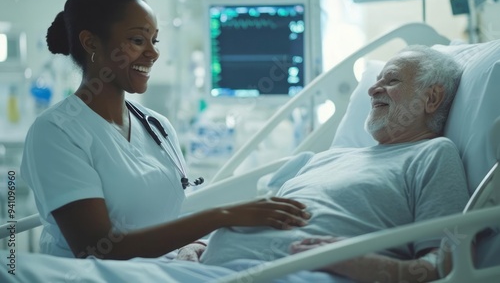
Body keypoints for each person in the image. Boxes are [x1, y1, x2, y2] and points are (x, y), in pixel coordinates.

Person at [20, 0, 311, 260]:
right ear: (90, 42)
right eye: (137, 40)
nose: (153, 52)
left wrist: (194, 243)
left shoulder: (157, 126)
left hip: (166, 268)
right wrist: (223, 215)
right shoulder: (56, 131)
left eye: (154, 40)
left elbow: (170, 218)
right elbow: (98, 247)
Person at [194, 45, 470, 283]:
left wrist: (365, 264)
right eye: (376, 80)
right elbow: (266, 216)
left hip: (280, 273)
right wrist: (201, 245)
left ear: (431, 98)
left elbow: (445, 264)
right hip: (203, 267)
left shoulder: (432, 155)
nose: (373, 90)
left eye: (392, 80)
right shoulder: (327, 157)